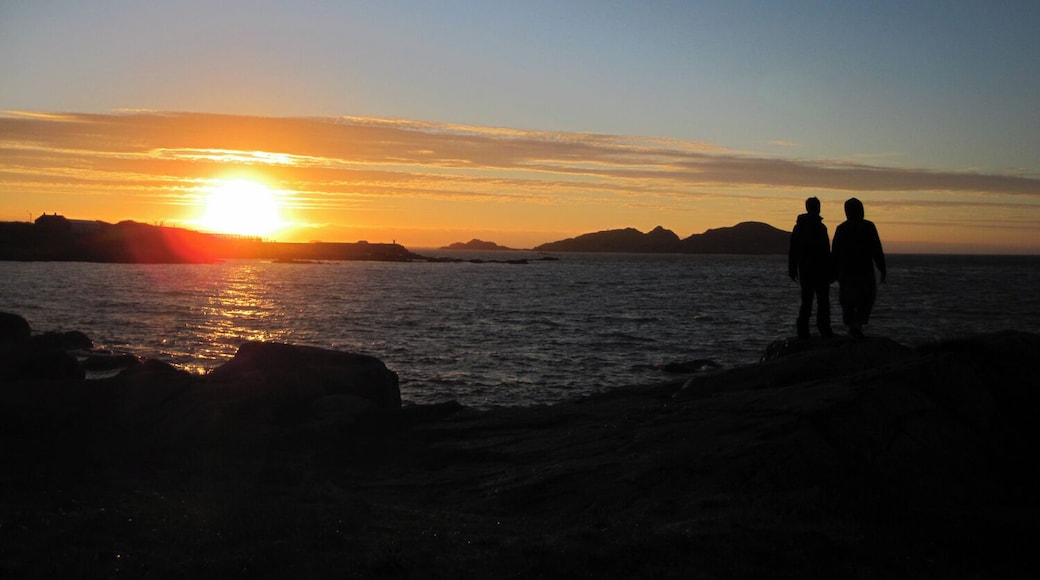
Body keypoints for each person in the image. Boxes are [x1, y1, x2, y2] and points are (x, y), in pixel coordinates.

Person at [831, 197, 887, 338]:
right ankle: (856, 326)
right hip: (861, 272)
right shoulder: (868, 227)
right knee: (863, 299)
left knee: (852, 300)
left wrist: (833, 272)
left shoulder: (842, 228)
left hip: (849, 272)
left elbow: (835, 253)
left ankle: (854, 326)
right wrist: (882, 268)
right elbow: (876, 249)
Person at [788, 197, 833, 339]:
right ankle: (822, 328)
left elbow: (793, 250)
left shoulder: (801, 227)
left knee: (809, 301)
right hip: (817, 269)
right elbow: (826, 250)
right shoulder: (819, 227)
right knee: (821, 301)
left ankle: (805, 330)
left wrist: (793, 268)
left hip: (807, 269)